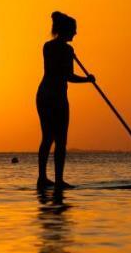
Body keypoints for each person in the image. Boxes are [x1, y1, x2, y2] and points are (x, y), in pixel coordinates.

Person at [36, 11, 95, 189]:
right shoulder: (65, 50)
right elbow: (67, 76)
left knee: (48, 138)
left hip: (44, 95)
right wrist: (88, 79)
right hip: (54, 97)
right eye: (74, 29)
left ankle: (43, 179)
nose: (75, 33)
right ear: (66, 30)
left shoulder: (48, 46)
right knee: (59, 139)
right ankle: (56, 180)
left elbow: (63, 74)